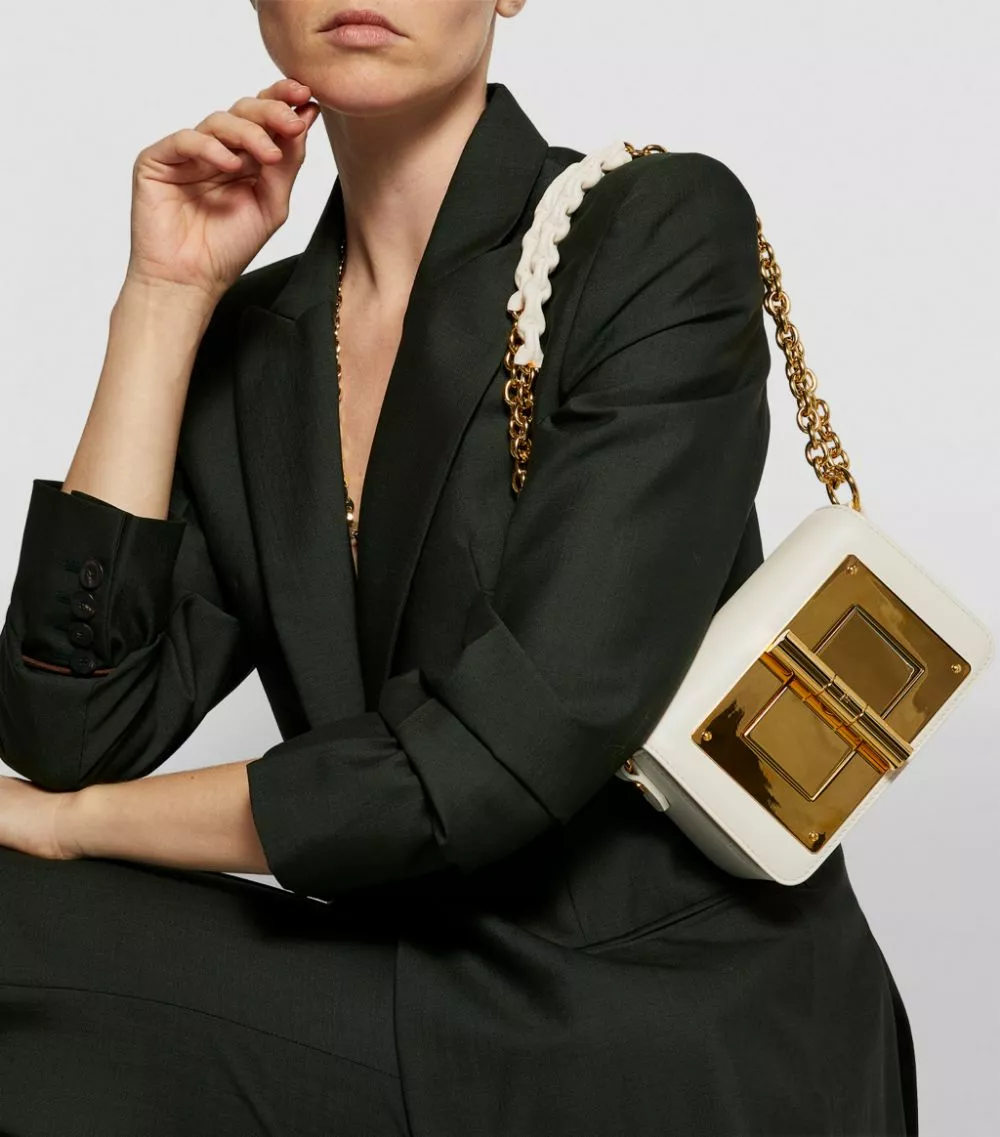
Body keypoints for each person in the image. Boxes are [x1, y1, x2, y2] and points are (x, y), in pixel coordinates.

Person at [0, 2, 918, 1134]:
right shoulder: (260, 341)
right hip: (408, 981)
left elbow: (496, 757)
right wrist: (162, 299)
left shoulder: (653, 234)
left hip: (665, 1017)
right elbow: (70, 735)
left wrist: (75, 827)